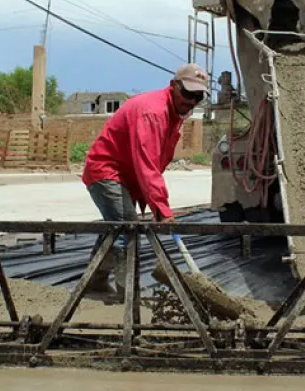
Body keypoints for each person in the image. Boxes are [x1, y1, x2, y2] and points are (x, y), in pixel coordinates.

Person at [81, 63, 209, 298]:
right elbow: (147, 163)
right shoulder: (153, 112)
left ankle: (94, 282)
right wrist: (162, 208)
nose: (191, 101)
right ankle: (128, 294)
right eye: (188, 93)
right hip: (106, 171)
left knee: (116, 227)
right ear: (173, 86)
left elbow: (151, 164)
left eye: (198, 96)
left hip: (126, 176)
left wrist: (157, 204)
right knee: (127, 228)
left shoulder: (173, 113)